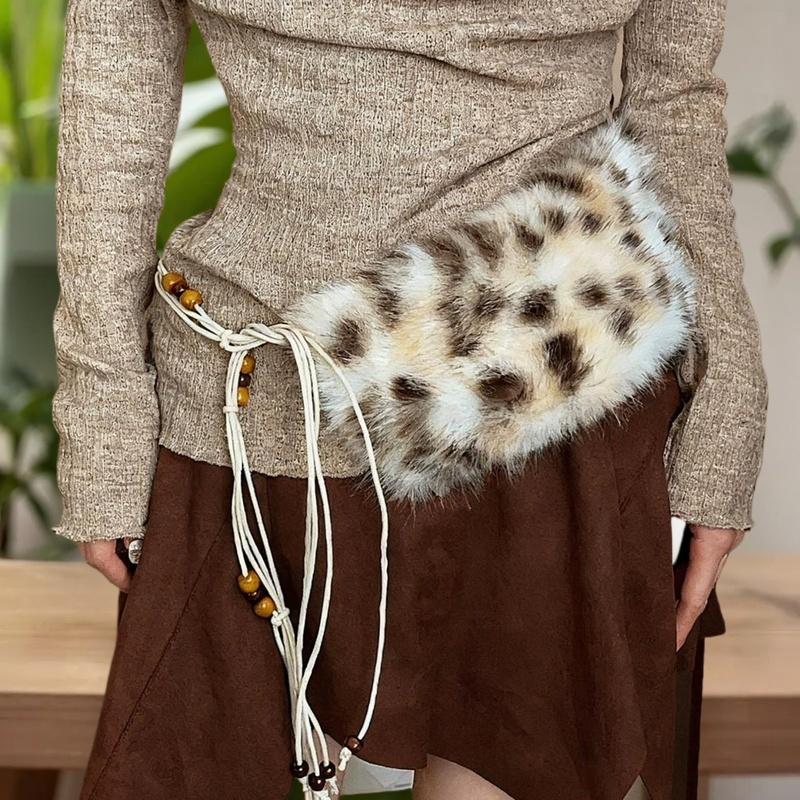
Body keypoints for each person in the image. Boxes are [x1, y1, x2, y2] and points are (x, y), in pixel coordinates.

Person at [51, 1, 767, 799]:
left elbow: (674, 96)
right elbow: (117, 56)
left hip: (552, 404)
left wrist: (728, 409)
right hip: (258, 399)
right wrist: (103, 412)